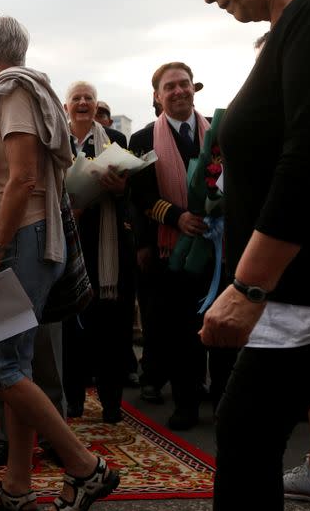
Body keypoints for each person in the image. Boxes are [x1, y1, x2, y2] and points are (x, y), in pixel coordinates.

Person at [0, 15, 119, 511]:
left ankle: (85, 467)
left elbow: (23, 179)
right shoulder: (28, 90)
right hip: (27, 237)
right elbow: (6, 181)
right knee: (17, 365)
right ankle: (16, 486)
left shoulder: (11, 90)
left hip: (20, 243)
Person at [179, 0, 310, 508]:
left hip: (304, 294)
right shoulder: (296, 23)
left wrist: (248, 286)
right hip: (303, 294)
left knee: (244, 435)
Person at [128, 61, 215, 430]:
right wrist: (178, 216)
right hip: (172, 247)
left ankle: (224, 400)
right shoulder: (143, 139)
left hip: (216, 244)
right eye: (170, 87)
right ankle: (186, 402)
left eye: (184, 84)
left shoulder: (218, 131)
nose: (179, 91)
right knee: (180, 331)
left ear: (194, 88)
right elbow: (142, 194)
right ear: (157, 95)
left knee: (218, 325)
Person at [62, 81, 134, 424]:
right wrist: (69, 207)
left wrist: (120, 191)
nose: (82, 102)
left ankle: (111, 403)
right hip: (65, 243)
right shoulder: (55, 142)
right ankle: (73, 400)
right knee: (71, 329)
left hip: (106, 245)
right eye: (76, 98)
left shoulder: (114, 142)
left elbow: (131, 194)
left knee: (111, 329)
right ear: (65, 107)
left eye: (88, 98)